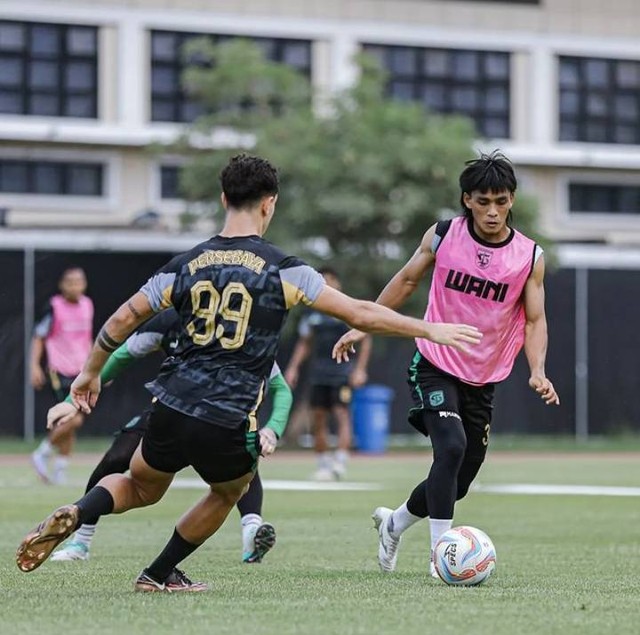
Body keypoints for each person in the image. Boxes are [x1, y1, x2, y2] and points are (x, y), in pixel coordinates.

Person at [16, 153, 481, 593]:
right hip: (227, 414)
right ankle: (158, 573)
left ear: (223, 199)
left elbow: (120, 322)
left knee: (139, 485)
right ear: (269, 203)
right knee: (229, 490)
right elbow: (360, 313)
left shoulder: (183, 265)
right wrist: (428, 328)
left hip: (171, 403)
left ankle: (80, 511)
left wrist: (89, 373)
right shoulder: (286, 270)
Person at [333, 151, 560, 578]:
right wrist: (364, 325)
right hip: (435, 362)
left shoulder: (529, 257)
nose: (492, 211)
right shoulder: (442, 236)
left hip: (484, 375)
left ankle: (394, 523)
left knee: (460, 479)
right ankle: (442, 558)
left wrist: (538, 370)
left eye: (501, 200)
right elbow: (406, 281)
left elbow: (534, 319)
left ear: (512, 200)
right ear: (466, 199)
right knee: (451, 447)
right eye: (483, 200)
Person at [47, 307, 291, 564]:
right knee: (118, 458)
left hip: (218, 414)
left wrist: (271, 430)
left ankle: (252, 532)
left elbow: (280, 388)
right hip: (173, 409)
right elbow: (121, 355)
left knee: (242, 463)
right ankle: (81, 541)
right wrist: (72, 399)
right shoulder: (168, 321)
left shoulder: (239, 327)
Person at [285, 268, 371, 481]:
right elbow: (304, 343)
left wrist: (360, 369)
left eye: (331, 280)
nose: (327, 284)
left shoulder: (347, 309)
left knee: (342, 414)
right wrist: (293, 367)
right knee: (318, 418)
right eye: (323, 280)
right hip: (318, 373)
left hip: (342, 372)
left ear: (338, 283)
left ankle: (340, 461)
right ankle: (323, 465)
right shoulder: (311, 312)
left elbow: (365, 338)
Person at [30, 267, 94, 485]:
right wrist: (34, 367)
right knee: (73, 418)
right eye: (70, 282)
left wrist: (98, 369)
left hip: (82, 371)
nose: (75, 286)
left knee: (70, 423)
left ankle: (59, 470)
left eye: (79, 281)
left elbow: (88, 339)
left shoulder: (87, 305)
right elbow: (38, 337)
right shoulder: (54, 307)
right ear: (62, 285)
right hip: (60, 370)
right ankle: (42, 453)